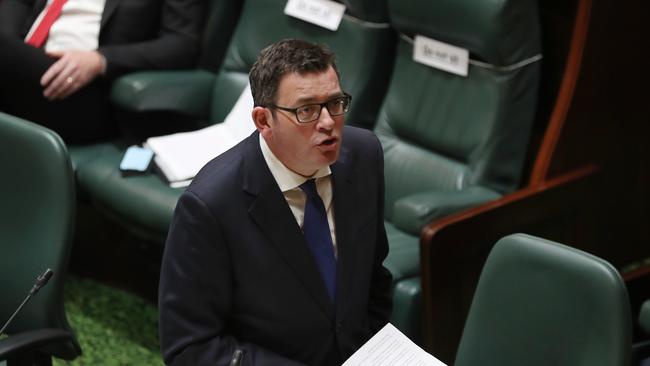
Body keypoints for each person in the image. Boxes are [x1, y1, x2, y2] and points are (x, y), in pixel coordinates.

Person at [158, 39, 393, 366]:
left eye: (335, 103)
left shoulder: (364, 156)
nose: (328, 123)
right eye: (306, 110)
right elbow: (190, 347)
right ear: (263, 121)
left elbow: (374, 279)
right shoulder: (210, 205)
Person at [0, 0, 204, 144]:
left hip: (84, 89)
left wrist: (101, 60)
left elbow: (182, 44)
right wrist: (9, 49)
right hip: (21, 63)